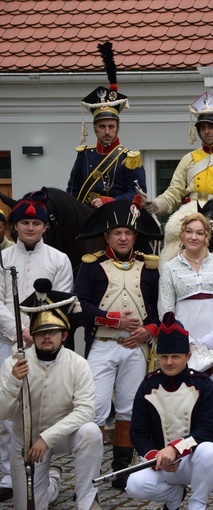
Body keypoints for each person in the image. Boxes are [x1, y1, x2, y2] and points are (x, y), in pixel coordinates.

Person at [72, 198, 163, 490]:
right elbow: (79, 306)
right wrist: (112, 320)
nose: (123, 238)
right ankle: (89, 472)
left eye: (128, 233)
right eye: (116, 233)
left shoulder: (149, 267)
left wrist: (148, 331)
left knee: (129, 410)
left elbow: (160, 310)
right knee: (94, 409)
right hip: (102, 344)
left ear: (135, 236)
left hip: (136, 348)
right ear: (106, 236)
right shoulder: (91, 266)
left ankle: (121, 471)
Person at [0, 279, 102, 510]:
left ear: (64, 335)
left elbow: (86, 410)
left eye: (53, 331)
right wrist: (14, 381)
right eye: (41, 332)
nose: (47, 337)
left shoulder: (78, 364)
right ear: (32, 335)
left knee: (91, 432)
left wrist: (47, 438)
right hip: (26, 442)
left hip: (64, 434)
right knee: (31, 506)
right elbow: (3, 412)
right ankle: (53, 481)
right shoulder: (13, 363)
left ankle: (87, 500)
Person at [0, 192, 73, 503]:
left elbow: (62, 300)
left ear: (44, 227)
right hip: (7, 340)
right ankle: (6, 470)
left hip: (43, 340)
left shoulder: (58, 259)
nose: (30, 228)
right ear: (15, 226)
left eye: (36, 223)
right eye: (24, 222)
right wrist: (16, 330)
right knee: (8, 403)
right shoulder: (2, 260)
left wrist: (36, 330)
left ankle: (45, 467)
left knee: (43, 402)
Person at [158, 212, 213, 481]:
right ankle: (187, 465)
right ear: (181, 235)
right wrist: (186, 340)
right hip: (187, 341)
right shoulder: (170, 268)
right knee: (189, 399)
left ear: (208, 236)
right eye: (189, 232)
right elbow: (166, 308)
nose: (194, 237)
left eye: (200, 232)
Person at [126, 312, 213, 510]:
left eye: (175, 356)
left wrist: (176, 449)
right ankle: (174, 496)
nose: (169, 362)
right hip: (161, 461)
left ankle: (198, 503)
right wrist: (156, 457)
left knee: (210, 451)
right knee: (133, 484)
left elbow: (208, 430)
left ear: (188, 356)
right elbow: (138, 432)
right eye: (164, 357)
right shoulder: (147, 386)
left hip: (191, 461)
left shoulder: (202, 384)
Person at [143, 92, 213, 216]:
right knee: (171, 233)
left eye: (211, 126)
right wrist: (156, 205)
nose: (207, 131)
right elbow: (175, 192)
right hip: (191, 212)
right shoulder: (188, 159)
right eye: (202, 127)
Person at [67, 42, 146, 208]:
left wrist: (109, 201)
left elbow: (137, 195)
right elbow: (72, 191)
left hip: (118, 213)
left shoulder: (130, 158)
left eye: (111, 126)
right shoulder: (84, 155)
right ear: (95, 128)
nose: (107, 131)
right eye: (102, 127)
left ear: (118, 127)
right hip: (87, 215)